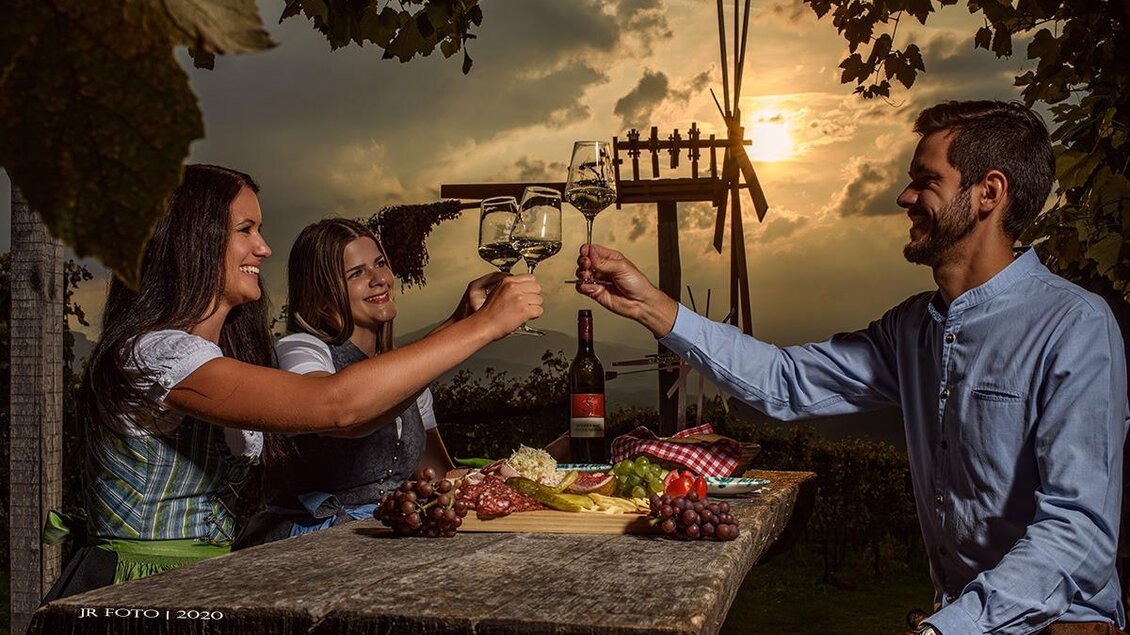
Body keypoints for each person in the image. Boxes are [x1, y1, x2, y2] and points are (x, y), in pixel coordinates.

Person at [575, 100, 1129, 634]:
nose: (903, 195)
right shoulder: (911, 329)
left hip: (1057, 625)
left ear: (990, 192)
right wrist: (651, 305)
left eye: (926, 180)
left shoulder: (1074, 326)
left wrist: (947, 629)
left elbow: (1077, 531)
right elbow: (785, 382)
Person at [46, 164, 541, 598]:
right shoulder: (155, 354)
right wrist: (483, 327)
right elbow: (337, 407)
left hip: (210, 575)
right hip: (137, 587)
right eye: (246, 229)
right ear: (192, 239)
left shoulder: (221, 357)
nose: (263, 248)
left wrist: (458, 323)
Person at [235, 218, 490, 545]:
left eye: (380, 264)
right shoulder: (301, 349)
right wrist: (473, 327)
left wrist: (520, 474)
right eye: (356, 273)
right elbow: (338, 411)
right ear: (322, 295)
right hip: (310, 541)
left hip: (386, 533)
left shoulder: (408, 371)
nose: (379, 279)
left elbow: (438, 477)